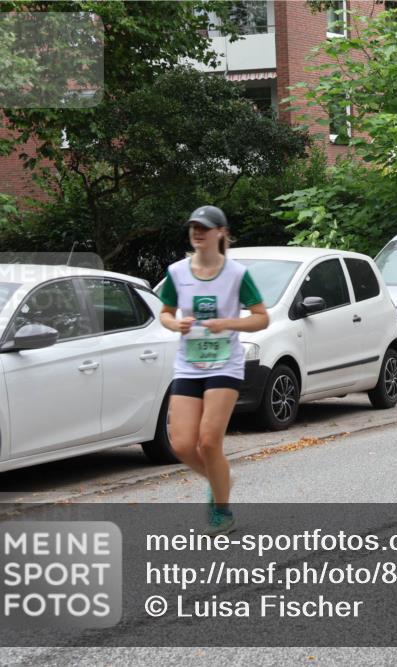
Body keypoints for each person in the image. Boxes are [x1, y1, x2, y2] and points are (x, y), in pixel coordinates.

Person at [158, 205, 269, 535]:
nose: (197, 232)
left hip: (225, 364)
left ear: (221, 232)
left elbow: (262, 317)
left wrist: (228, 323)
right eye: (193, 226)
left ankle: (222, 510)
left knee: (208, 442)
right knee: (180, 444)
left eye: (205, 227)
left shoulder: (236, 274)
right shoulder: (177, 272)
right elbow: (164, 313)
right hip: (189, 365)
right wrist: (175, 323)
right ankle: (221, 478)